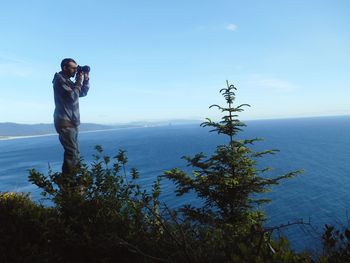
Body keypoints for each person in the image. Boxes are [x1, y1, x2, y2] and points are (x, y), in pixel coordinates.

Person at [52, 58, 90, 175]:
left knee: (75, 152)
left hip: (71, 122)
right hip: (65, 122)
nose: (75, 70)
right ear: (64, 67)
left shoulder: (68, 81)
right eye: (73, 68)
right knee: (72, 152)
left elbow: (81, 93)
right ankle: (68, 181)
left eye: (76, 68)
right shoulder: (59, 79)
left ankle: (72, 179)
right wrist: (79, 80)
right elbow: (73, 96)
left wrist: (86, 80)